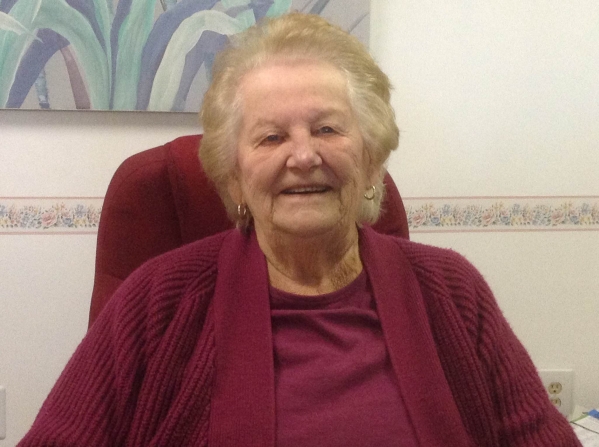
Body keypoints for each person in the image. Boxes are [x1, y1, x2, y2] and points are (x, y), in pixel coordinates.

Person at [19, 12, 580, 447]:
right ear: (234, 177)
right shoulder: (158, 302)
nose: (304, 156)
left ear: (371, 160)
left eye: (328, 129)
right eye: (271, 137)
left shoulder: (452, 291)